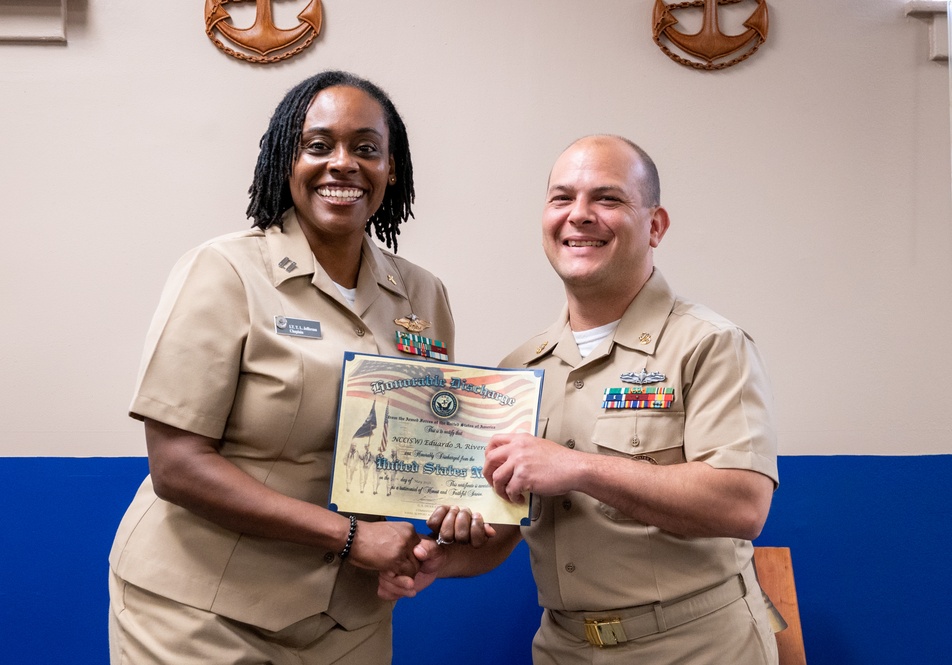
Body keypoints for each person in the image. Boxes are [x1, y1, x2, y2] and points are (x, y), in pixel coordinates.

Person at [382, 135, 779, 664]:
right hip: (564, 648)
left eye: (608, 199)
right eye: (562, 198)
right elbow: (501, 529)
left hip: (695, 647)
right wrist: (442, 557)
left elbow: (743, 505)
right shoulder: (519, 370)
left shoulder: (709, 344)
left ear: (655, 225)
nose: (580, 215)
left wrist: (577, 468)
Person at [108, 70, 455, 664]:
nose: (342, 164)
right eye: (318, 146)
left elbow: (422, 454)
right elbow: (176, 466)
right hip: (201, 609)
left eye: (366, 148)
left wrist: (451, 526)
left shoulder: (422, 295)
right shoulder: (224, 271)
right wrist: (351, 537)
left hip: (348, 617)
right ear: (283, 162)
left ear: (391, 169)